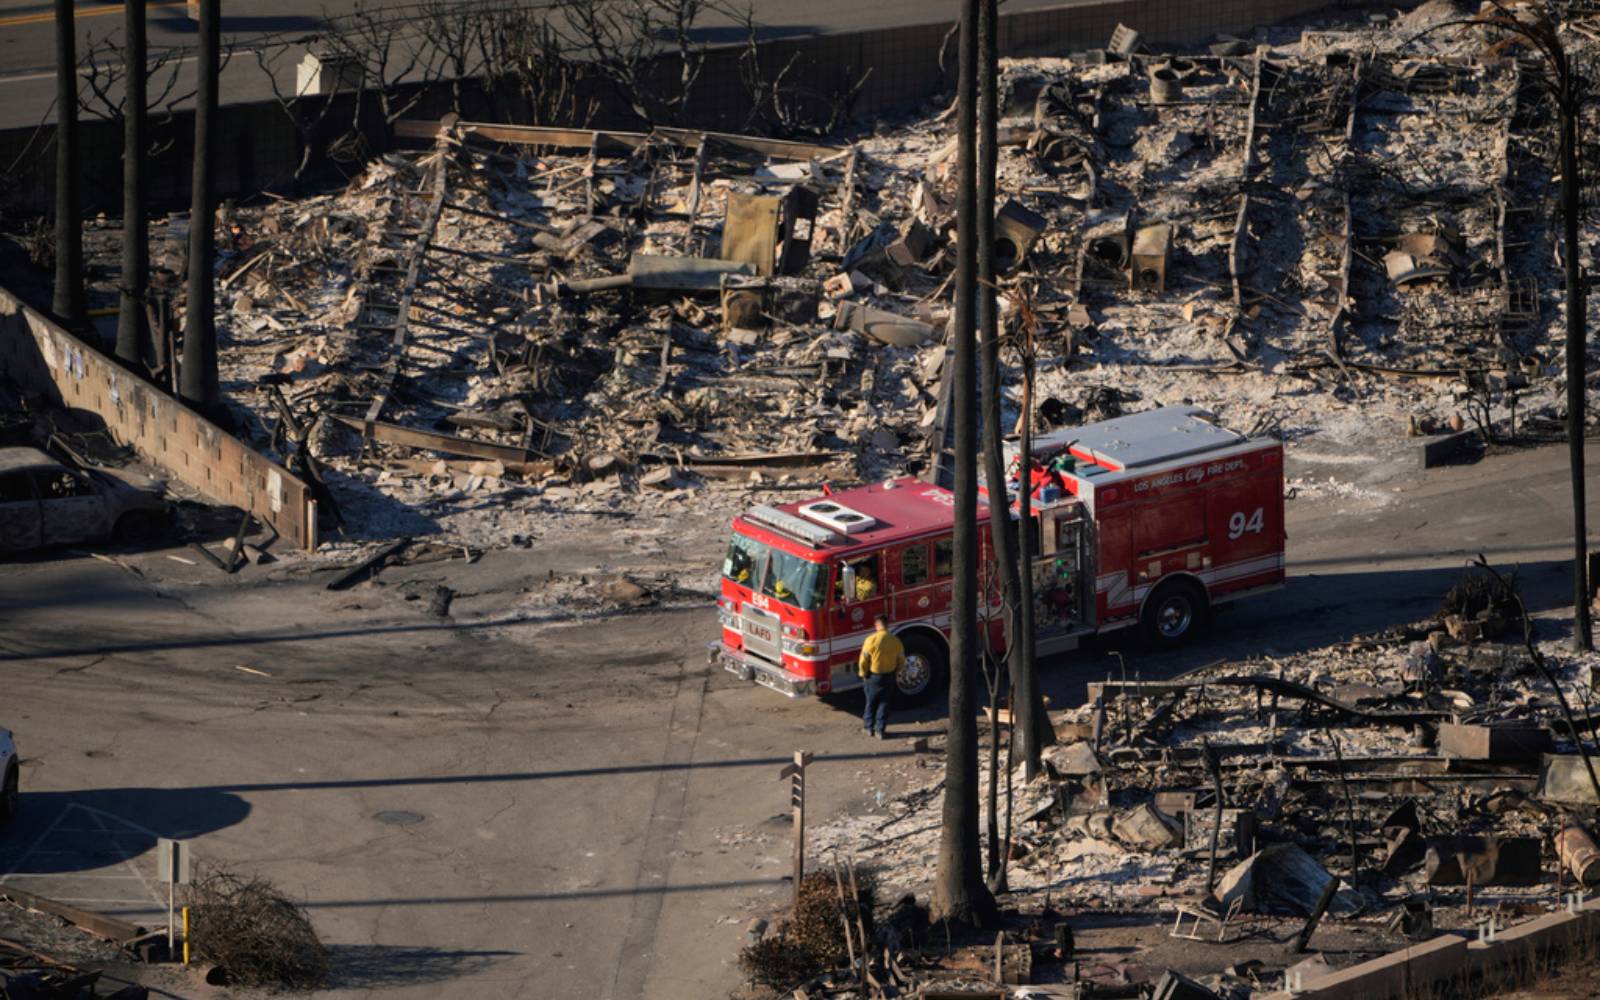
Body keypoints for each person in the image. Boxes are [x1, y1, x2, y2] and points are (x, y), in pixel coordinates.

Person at [857, 614, 905, 739]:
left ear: (876, 625)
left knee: (871, 702)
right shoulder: (895, 641)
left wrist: (863, 673)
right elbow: (901, 659)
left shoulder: (871, 640)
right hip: (889, 675)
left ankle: (868, 727)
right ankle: (880, 730)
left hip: (873, 677)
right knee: (884, 703)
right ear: (887, 625)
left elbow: (864, 660)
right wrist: (897, 670)